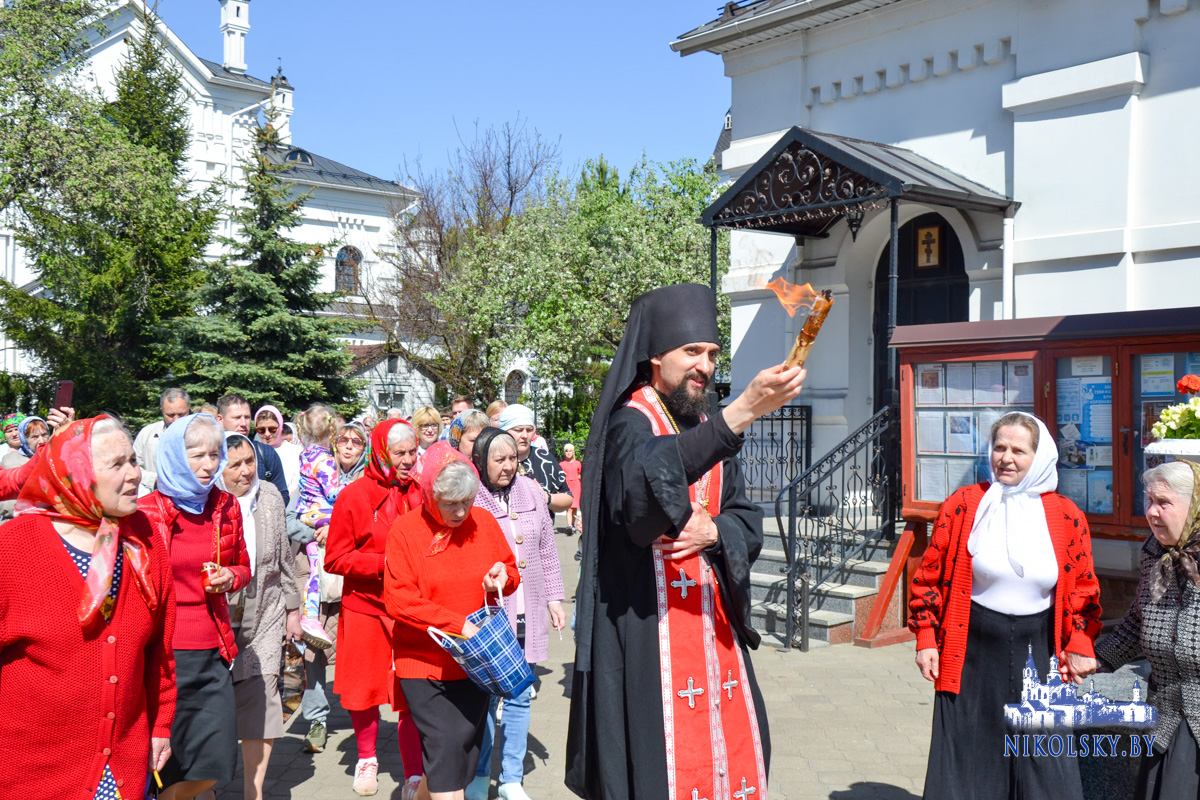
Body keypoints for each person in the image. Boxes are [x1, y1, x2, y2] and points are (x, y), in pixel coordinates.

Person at [565, 283, 804, 800]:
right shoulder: (631, 421)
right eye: (691, 352)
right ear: (655, 356)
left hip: (713, 633)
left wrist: (717, 531)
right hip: (649, 634)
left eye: (713, 353)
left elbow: (745, 515)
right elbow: (640, 501)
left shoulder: (702, 422)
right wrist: (740, 413)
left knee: (738, 754)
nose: (706, 366)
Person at [909, 411, 1103, 800]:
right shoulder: (965, 504)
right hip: (973, 650)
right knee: (970, 758)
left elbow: (1083, 586)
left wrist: (1080, 641)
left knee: (1046, 766)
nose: (1006, 458)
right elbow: (928, 576)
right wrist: (927, 637)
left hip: (1041, 650)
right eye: (999, 447)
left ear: (1041, 455)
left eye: (1019, 450)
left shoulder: (1066, 514)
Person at [0, 415, 177, 798]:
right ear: (77, 473)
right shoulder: (12, 549)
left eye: (133, 460)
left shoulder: (145, 540)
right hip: (30, 773)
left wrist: (161, 723)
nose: (135, 474)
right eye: (118, 464)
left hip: (121, 770)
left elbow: (158, 650)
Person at [383, 442, 521, 800]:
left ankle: (416, 797)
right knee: (445, 748)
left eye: (466, 501)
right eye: (450, 503)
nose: (460, 512)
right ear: (429, 495)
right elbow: (399, 600)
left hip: (475, 663)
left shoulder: (485, 522)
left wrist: (500, 577)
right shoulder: (405, 531)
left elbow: (509, 568)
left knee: (459, 756)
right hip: (424, 666)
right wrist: (459, 625)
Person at [139, 413, 253, 800]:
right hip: (162, 655)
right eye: (197, 455)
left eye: (214, 454)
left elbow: (244, 566)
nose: (208, 466)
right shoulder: (145, 511)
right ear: (173, 455)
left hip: (212, 649)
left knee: (216, 761)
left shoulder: (225, 506)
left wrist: (231, 577)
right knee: (167, 763)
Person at [326, 419, 426, 797]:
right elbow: (335, 559)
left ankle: (414, 773)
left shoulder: (421, 492)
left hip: (410, 609)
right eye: (398, 453)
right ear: (382, 452)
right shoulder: (354, 495)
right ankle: (366, 757)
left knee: (412, 690)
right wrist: (382, 564)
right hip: (365, 607)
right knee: (364, 689)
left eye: (411, 453)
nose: (406, 460)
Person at [467, 429, 566, 800]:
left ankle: (511, 779)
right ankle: (479, 774)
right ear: (482, 461)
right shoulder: (472, 496)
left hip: (529, 606)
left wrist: (555, 599)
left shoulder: (530, 491)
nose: (509, 466)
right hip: (490, 613)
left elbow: (547, 549)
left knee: (521, 694)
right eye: (499, 459)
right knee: (488, 697)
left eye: (513, 458)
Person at [1096, 460, 1200, 797]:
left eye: (1164, 503)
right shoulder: (1154, 553)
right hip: (1167, 714)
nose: (1152, 512)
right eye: (1150, 501)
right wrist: (1098, 658)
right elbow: (1139, 619)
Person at [215, 432, 301, 800]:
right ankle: (207, 789)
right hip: (215, 614)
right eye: (235, 465)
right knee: (215, 707)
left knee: (263, 700)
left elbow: (282, 557)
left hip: (264, 609)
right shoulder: (208, 500)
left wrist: (293, 609)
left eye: (250, 461)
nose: (246, 471)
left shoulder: (268, 496)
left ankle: (254, 792)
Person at [292, 421, 368, 755]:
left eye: (356, 441)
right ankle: (317, 721)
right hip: (317, 582)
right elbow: (291, 520)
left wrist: (336, 530)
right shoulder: (312, 476)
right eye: (343, 440)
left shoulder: (369, 482)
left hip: (355, 581)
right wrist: (313, 532)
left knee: (359, 652)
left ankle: (363, 715)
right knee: (314, 653)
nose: (349, 446)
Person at [498, 404, 572, 521]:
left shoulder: (544, 459)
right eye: (518, 430)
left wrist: (546, 498)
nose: (525, 435)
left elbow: (567, 497)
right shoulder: (492, 460)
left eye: (529, 430)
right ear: (504, 431)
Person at [215, 393, 289, 507]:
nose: (244, 423)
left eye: (247, 417)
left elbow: (282, 495)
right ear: (220, 419)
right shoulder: (211, 454)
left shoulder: (266, 453)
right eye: (237, 418)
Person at [134, 387, 192, 496]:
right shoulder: (146, 434)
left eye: (181, 414)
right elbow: (133, 468)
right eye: (170, 415)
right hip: (154, 497)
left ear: (189, 408)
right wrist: (155, 478)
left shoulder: (201, 434)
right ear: (162, 411)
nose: (176, 420)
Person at [0, 415, 50, 519]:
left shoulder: (54, 457)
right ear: (24, 438)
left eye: (44, 435)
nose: (41, 441)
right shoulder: (9, 460)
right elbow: (8, 505)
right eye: (34, 437)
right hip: (16, 520)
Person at [255, 404, 303, 503]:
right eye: (261, 430)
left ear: (280, 426)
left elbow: (298, 486)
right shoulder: (253, 451)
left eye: (272, 429)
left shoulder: (296, 452)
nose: (267, 434)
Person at [559, 443, 582, 535]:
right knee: (569, 507)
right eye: (566, 451)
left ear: (573, 452)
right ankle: (569, 526)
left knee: (575, 507)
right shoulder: (561, 464)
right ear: (564, 453)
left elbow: (579, 474)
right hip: (567, 486)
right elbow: (560, 476)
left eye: (570, 451)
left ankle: (573, 525)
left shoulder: (578, 463)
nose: (568, 453)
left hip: (576, 485)